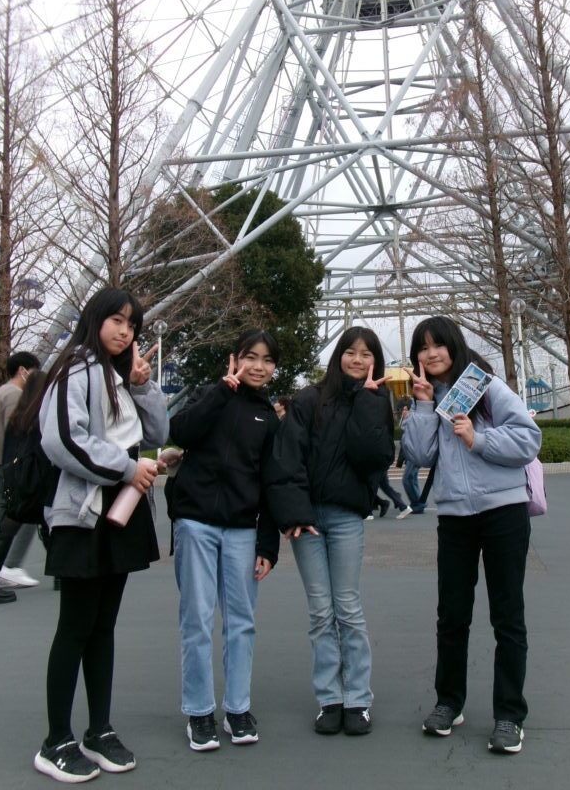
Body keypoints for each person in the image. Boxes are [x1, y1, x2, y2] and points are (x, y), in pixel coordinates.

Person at [32, 287, 168, 783]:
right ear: (95, 319)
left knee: (103, 625)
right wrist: (127, 469)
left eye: (132, 325)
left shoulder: (118, 374)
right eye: (117, 320)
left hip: (120, 509)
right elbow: (63, 439)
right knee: (75, 626)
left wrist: (142, 386)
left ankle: (99, 729)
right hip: (83, 513)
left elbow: (157, 433)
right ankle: (56, 740)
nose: (125, 332)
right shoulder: (75, 368)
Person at [401, 316, 541, 755]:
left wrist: (477, 438)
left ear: (453, 346)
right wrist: (423, 406)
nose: (430, 354)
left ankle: (509, 715)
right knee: (452, 615)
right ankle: (449, 703)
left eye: (437, 345)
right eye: (422, 348)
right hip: (455, 516)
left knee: (507, 616)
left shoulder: (487, 386)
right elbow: (418, 455)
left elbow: (528, 439)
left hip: (503, 512)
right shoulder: (429, 397)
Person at [266, 326, 394, 736]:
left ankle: (358, 699)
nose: (357, 360)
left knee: (347, 607)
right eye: (350, 352)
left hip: (346, 517)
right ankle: (329, 699)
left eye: (366, 354)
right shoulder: (309, 399)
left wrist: (369, 402)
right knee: (321, 611)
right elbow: (287, 457)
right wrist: (294, 513)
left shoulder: (377, 401)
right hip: (308, 519)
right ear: (339, 355)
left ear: (375, 361)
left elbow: (374, 456)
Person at [166, 330, 280, 751]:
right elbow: (180, 431)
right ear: (235, 358)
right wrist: (220, 390)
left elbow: (271, 484)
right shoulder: (208, 394)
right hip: (195, 522)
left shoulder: (268, 417)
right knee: (196, 619)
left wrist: (267, 545)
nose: (258, 367)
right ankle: (199, 711)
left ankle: (237, 708)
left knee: (241, 622)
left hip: (242, 529)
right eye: (251, 357)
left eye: (267, 360)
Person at [0, 350, 41, 606]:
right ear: (23, 370)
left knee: (7, 516)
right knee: (6, 517)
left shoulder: (2, 391)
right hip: (8, 465)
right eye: (34, 371)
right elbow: (18, 432)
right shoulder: (14, 395)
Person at [398, 406, 425, 517]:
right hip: (411, 452)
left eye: (406, 409)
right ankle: (418, 503)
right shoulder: (406, 420)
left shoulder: (413, 419)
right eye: (403, 409)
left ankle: (418, 503)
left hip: (415, 451)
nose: (404, 411)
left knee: (407, 478)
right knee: (412, 478)